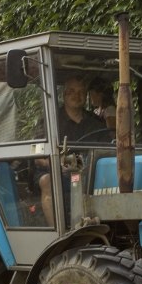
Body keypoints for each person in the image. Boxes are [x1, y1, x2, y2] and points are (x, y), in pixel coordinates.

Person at [38, 74, 106, 226]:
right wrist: (58, 163)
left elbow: (107, 149)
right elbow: (38, 154)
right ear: (64, 95)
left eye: (81, 92)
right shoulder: (50, 121)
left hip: (91, 170)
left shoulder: (95, 122)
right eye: (72, 91)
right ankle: (58, 232)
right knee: (46, 181)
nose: (77, 95)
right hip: (59, 174)